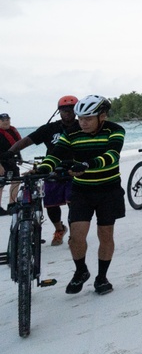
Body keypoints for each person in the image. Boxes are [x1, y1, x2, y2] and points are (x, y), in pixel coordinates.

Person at [35, 95, 125, 295]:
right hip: (82, 191)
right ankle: (81, 271)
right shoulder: (72, 132)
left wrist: (86, 164)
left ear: (102, 116)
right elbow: (56, 153)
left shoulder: (116, 130)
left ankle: (102, 278)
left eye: (88, 118)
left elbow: (112, 155)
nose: (82, 122)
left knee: (105, 235)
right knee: (76, 237)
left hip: (108, 190)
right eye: (80, 117)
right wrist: (43, 168)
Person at [0, 96, 80, 244]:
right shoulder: (50, 128)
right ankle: (59, 229)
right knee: (51, 204)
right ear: (59, 112)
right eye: (64, 110)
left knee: (74, 203)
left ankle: (75, 234)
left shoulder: (82, 127)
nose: (67, 113)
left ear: (77, 111)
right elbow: (27, 140)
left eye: (71, 110)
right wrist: (9, 153)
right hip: (51, 169)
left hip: (74, 170)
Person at [0, 113, 23, 214]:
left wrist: (20, 157)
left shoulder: (13, 131)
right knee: (1, 184)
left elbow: (17, 146)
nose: (6, 122)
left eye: (7, 119)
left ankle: (12, 205)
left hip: (12, 161)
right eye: (3, 120)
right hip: (1, 162)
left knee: (16, 181)